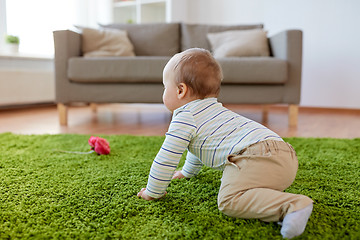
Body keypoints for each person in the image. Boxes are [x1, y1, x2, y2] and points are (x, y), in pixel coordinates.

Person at [137, 48, 313, 239]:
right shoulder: (212, 111)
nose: (163, 92)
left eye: (165, 87)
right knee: (249, 185)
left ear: (180, 90)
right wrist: (188, 172)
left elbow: (167, 157)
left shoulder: (184, 117)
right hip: (285, 156)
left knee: (229, 200)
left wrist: (153, 192)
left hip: (255, 157)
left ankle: (293, 206)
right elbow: (196, 145)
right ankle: (269, 194)